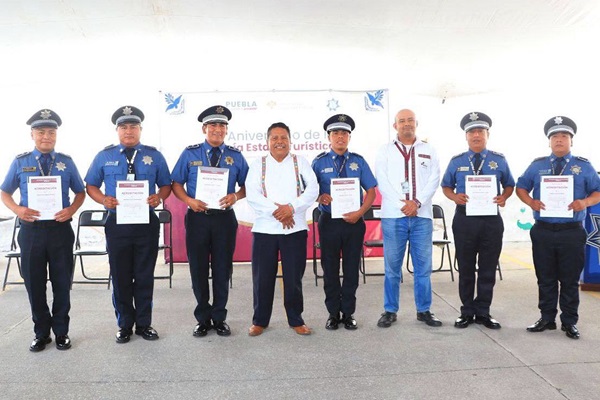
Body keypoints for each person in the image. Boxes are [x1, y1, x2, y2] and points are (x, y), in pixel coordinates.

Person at [85, 105, 171, 343]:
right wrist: (104, 199)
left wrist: (159, 197)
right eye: (124, 127)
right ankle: (124, 325)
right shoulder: (105, 156)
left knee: (144, 275)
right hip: (117, 223)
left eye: (133, 126)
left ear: (140, 129)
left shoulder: (155, 156)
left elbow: (166, 184)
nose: (129, 131)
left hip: (146, 223)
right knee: (121, 275)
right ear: (117, 130)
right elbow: (90, 185)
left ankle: (144, 324)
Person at [1, 109, 85, 352]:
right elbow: (4, 192)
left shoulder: (66, 162)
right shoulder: (21, 161)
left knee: (61, 284)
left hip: (60, 231)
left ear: (56, 135)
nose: (46, 136)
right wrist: (18, 209)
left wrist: (71, 209)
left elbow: (80, 192)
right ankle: (41, 333)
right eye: (41, 132)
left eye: (51, 132)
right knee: (34, 284)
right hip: (31, 231)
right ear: (32, 134)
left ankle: (61, 332)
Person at [516, 116, 600, 340]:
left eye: (564, 136)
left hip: (572, 231)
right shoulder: (538, 165)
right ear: (549, 141)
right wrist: (530, 202)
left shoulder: (583, 166)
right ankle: (546, 318)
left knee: (570, 279)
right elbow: (521, 187)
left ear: (571, 140)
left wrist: (585, 203)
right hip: (543, 230)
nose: (559, 140)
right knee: (545, 277)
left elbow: (597, 191)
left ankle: (569, 322)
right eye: (555, 136)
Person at [171, 105, 248, 337]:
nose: (217, 129)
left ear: (226, 130)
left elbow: (248, 186)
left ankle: (220, 317)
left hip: (224, 219)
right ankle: (203, 318)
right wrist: (189, 201)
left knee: (223, 269)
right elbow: (176, 183)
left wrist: (235, 196)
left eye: (222, 125)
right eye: (212, 125)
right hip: (197, 218)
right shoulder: (190, 153)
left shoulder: (235, 155)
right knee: (198, 269)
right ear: (204, 128)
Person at [441, 112, 514, 329]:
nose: (476, 135)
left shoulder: (499, 160)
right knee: (465, 266)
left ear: (487, 134)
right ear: (466, 136)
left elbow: (510, 184)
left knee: (487, 267)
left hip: (491, 220)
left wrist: (504, 197)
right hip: (465, 220)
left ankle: (484, 311)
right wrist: (455, 197)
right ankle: (466, 311)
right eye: (472, 132)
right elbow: (446, 186)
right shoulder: (457, 162)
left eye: (480, 131)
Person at [245, 122, 318, 336]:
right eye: (274, 138)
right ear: (267, 142)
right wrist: (278, 212)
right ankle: (260, 321)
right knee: (262, 278)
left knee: (293, 277)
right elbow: (252, 193)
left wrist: (291, 209)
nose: (279, 142)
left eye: (283, 138)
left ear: (289, 140)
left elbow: (313, 189)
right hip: (265, 229)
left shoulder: (300, 162)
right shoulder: (258, 164)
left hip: (294, 228)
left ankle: (296, 319)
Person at [375, 109, 442, 328]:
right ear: (395, 126)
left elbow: (434, 179)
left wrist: (417, 203)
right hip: (394, 217)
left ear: (416, 123)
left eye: (410, 120)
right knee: (392, 267)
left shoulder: (428, 149)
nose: (406, 124)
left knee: (423, 268)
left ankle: (424, 310)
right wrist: (402, 205)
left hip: (422, 217)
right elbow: (382, 182)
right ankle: (390, 310)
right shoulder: (384, 151)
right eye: (401, 121)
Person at [311, 114, 377, 330]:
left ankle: (348, 313)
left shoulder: (359, 161)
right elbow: (309, 190)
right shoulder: (319, 162)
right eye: (335, 133)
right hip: (329, 221)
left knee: (350, 269)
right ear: (328, 137)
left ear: (349, 137)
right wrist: (320, 196)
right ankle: (332, 313)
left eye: (344, 133)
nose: (340, 137)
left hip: (354, 222)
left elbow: (371, 191)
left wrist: (360, 212)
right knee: (329, 269)